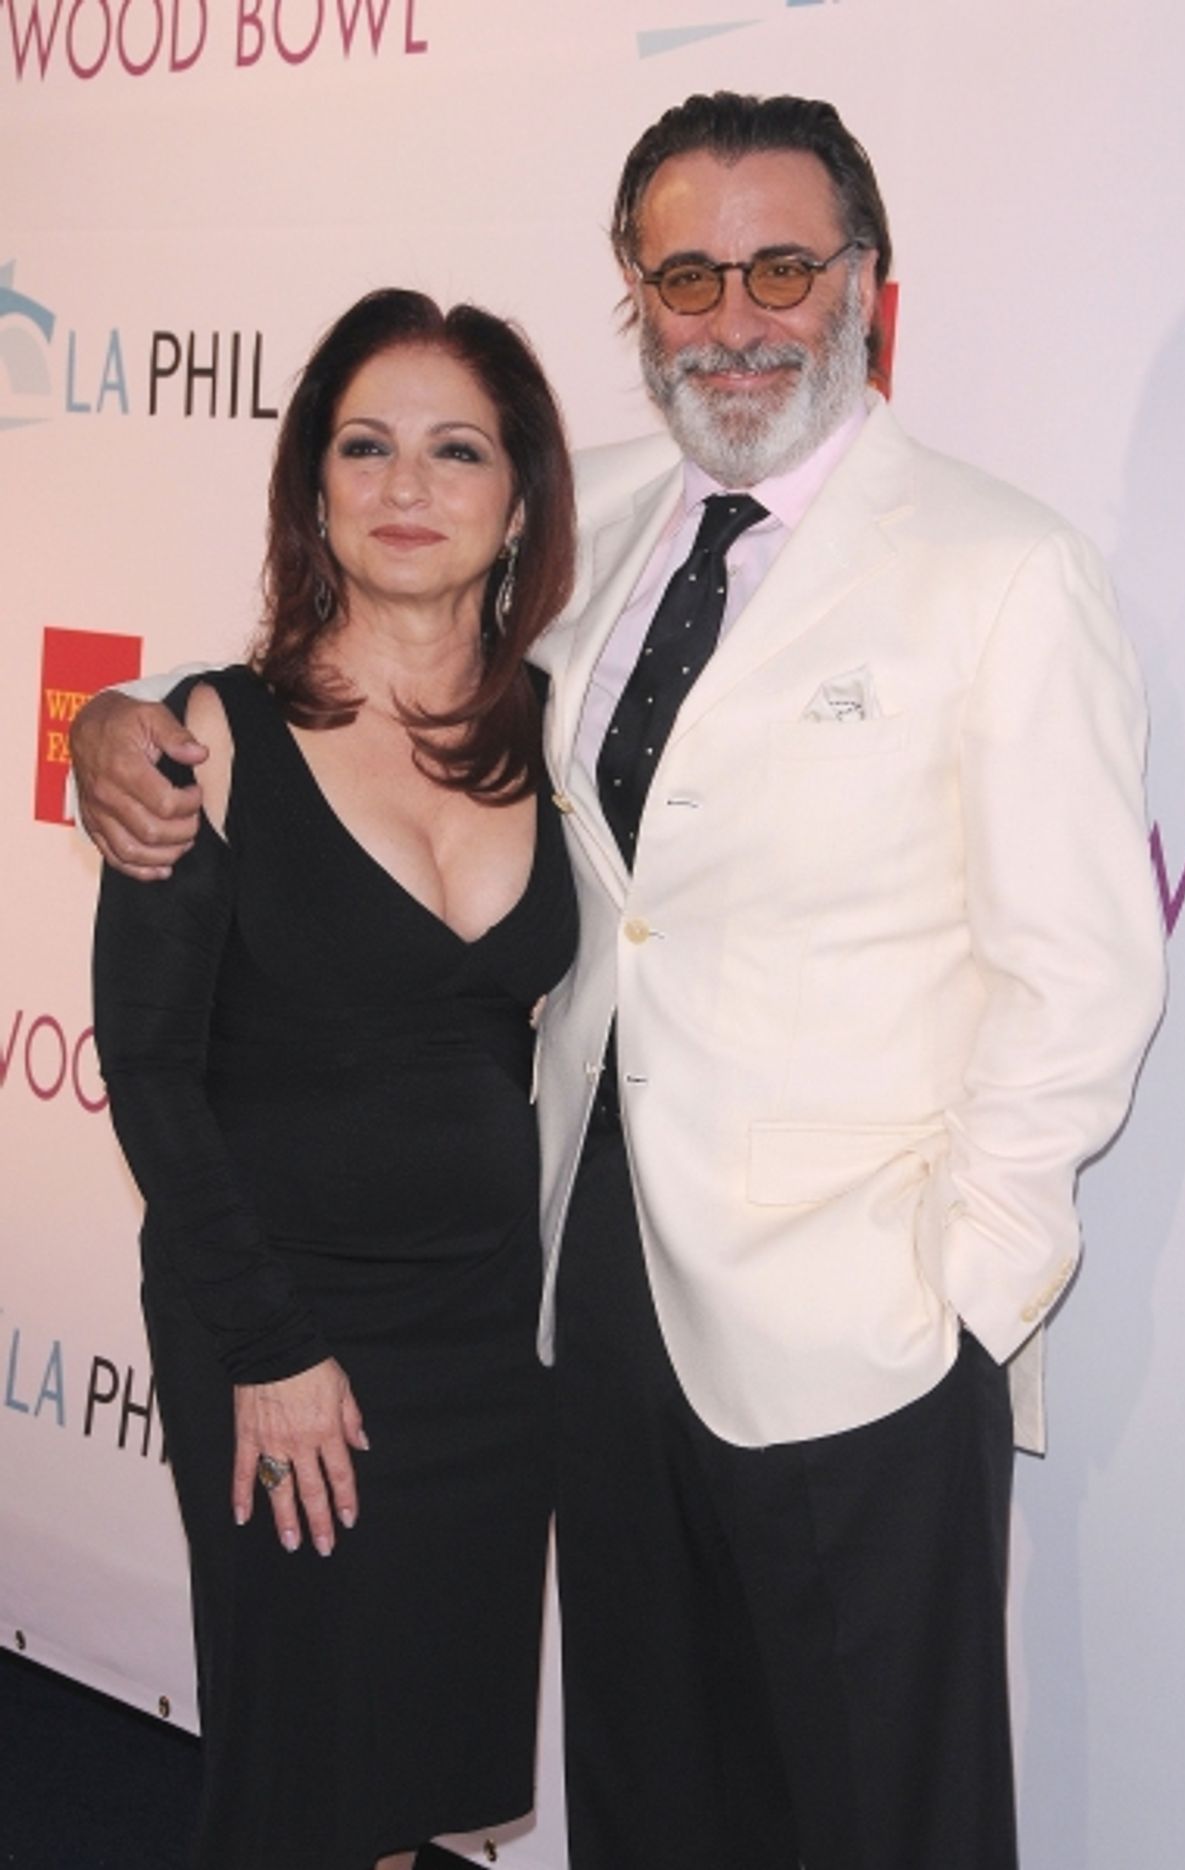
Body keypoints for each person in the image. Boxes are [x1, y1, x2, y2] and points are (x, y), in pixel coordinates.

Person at [75, 93, 1165, 1870]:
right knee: (655, 1803)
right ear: (636, 299)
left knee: (882, 1817)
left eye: (781, 268)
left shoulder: (1002, 569)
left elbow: (1086, 976)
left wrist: (958, 1295)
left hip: (864, 1332)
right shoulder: (598, 537)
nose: (734, 318)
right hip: (592, 1312)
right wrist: (116, 729)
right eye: (685, 277)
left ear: (867, 287)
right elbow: (357, 663)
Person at [90, 287, 577, 1870]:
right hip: (278, 1325)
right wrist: (272, 1342)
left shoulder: (562, 733)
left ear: (518, 495)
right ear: (313, 486)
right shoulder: (209, 735)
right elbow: (149, 1068)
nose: (406, 485)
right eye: (365, 447)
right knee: (301, 1781)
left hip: (487, 1338)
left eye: (456, 450)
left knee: (414, 1777)